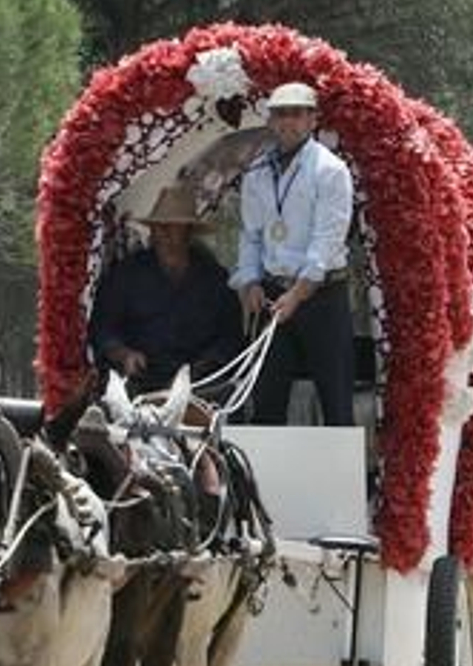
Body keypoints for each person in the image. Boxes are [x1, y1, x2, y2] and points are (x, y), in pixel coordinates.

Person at [233, 82, 356, 426]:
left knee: (334, 395)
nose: (288, 121)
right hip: (274, 292)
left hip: (322, 295)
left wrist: (298, 294)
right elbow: (251, 234)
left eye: (297, 114)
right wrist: (249, 281)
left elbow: (327, 241)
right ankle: (262, 478)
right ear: (271, 120)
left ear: (313, 119)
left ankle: (340, 478)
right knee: (267, 395)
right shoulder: (256, 172)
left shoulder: (330, 170)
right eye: (280, 114)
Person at [89, 185, 244, 396]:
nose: (163, 235)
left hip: (200, 384)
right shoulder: (127, 274)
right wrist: (124, 354)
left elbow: (231, 337)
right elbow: (102, 327)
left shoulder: (215, 279)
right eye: (159, 227)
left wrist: (202, 367)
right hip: (140, 380)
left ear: (189, 233)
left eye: (172, 228)